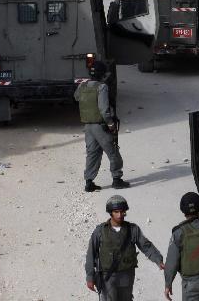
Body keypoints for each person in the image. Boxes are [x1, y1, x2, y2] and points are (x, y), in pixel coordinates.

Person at [85, 195, 164, 300]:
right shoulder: (100, 231)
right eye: (116, 212)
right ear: (110, 213)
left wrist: (158, 260)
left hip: (126, 275)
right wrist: (90, 277)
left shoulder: (132, 230)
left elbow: (146, 246)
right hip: (107, 276)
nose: (120, 215)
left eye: (122, 212)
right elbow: (91, 255)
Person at [74, 60, 130, 191]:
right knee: (113, 152)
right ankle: (117, 179)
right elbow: (104, 109)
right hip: (101, 126)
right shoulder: (102, 87)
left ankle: (89, 182)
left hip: (88, 126)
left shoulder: (82, 86)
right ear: (102, 74)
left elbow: (76, 97)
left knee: (92, 154)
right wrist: (111, 124)